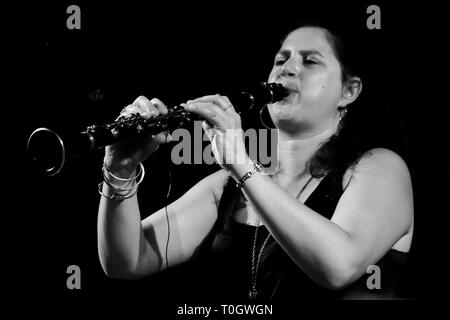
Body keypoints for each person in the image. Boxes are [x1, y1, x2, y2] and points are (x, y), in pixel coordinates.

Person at [97, 22, 414, 301]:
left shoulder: (379, 167)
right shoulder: (226, 184)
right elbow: (128, 261)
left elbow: (339, 266)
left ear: (348, 91)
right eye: (281, 59)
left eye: (310, 61)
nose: (286, 69)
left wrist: (240, 161)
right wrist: (119, 170)